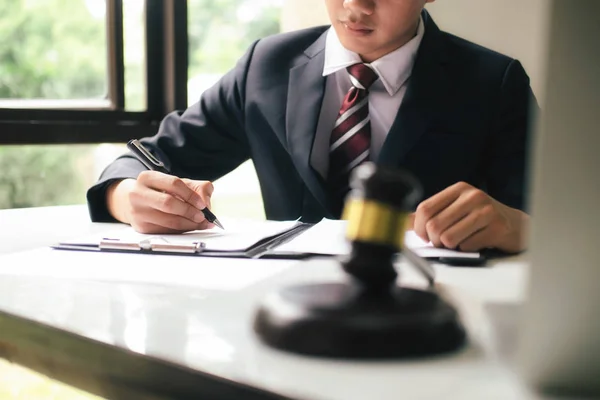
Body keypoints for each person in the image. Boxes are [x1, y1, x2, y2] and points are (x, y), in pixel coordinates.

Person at [87, 0, 538, 253]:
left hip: (429, 323)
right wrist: (127, 198)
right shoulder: (266, 64)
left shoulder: (493, 83)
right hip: (280, 316)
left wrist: (519, 227)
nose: (355, 6)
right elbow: (144, 158)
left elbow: (564, 225)